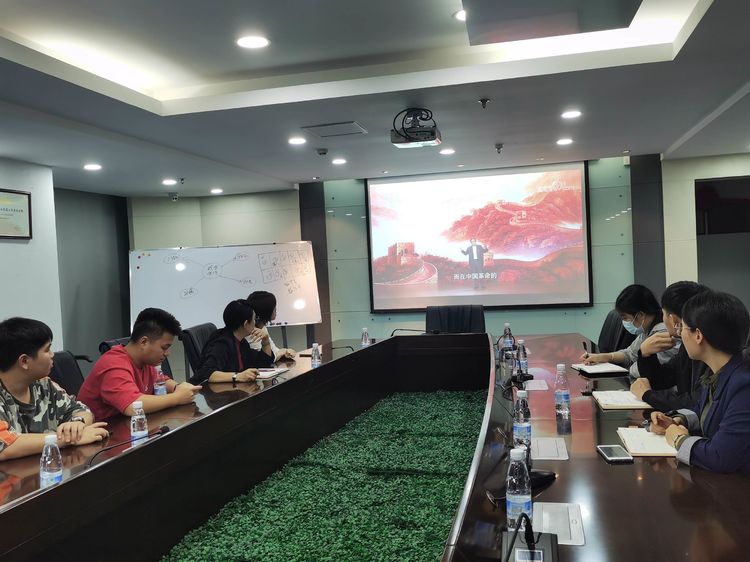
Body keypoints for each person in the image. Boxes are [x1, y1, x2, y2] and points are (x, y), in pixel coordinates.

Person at [649, 290, 750, 473]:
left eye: (683, 327)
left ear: (698, 335)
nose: (680, 333)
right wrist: (677, 420)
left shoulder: (743, 384)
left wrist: (678, 439)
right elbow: (705, 410)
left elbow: (720, 457)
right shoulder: (719, 370)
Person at [0, 317, 108, 460]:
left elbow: (81, 409)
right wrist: (66, 440)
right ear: (24, 361)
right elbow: (5, 446)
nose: (52, 355)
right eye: (47, 350)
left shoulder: (44, 384)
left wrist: (77, 423)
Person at [78, 308, 201, 420]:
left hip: (130, 426)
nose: (167, 353)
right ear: (144, 342)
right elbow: (132, 406)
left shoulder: (145, 361)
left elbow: (160, 380)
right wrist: (177, 398)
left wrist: (177, 387)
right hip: (102, 432)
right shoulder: (113, 364)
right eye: (164, 348)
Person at [631, 281, 709, 410]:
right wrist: (645, 355)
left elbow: (698, 402)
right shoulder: (687, 345)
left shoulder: (709, 350)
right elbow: (664, 379)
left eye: (663, 314)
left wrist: (648, 395)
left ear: (674, 320)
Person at [580, 284, 678, 377]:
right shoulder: (647, 329)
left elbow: (649, 370)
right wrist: (603, 357)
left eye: (625, 318)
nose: (624, 322)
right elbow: (630, 354)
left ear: (640, 315)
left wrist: (629, 368)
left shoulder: (662, 333)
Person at [190, 299, 274, 385]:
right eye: (254, 319)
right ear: (245, 324)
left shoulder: (241, 342)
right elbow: (206, 372)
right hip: (214, 391)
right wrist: (237, 376)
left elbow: (263, 363)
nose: (255, 322)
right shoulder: (221, 344)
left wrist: (265, 340)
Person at [246, 291, 296, 360]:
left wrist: (285, 352)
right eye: (273, 307)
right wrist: (281, 352)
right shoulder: (251, 332)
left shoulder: (262, 327)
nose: (276, 309)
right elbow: (267, 358)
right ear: (266, 310)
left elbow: (274, 350)